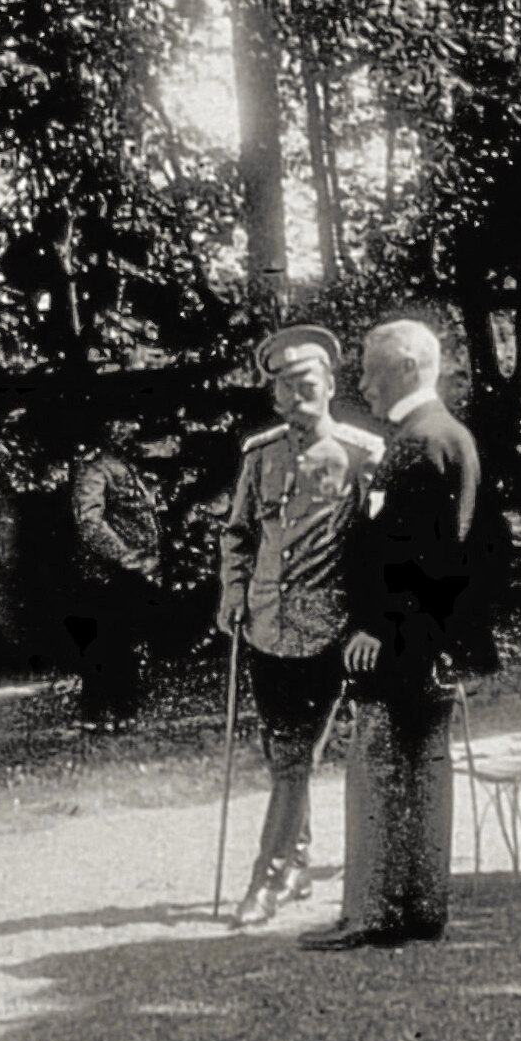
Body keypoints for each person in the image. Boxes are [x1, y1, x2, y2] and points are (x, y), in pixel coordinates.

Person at [305, 317, 500, 951]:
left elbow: (425, 557)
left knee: (379, 772)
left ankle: (373, 912)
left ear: (409, 368)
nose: (362, 383)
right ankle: (418, 908)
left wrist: (378, 627)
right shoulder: (442, 438)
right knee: (422, 774)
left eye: (372, 370)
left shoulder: (424, 442)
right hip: (428, 644)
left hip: (401, 648)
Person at [216, 324, 381, 921]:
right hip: (265, 627)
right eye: (282, 388)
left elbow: (379, 550)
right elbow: (238, 533)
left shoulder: (362, 455)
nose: (293, 397)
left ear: (330, 384)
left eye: (305, 384)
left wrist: (370, 620)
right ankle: (300, 862)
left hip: (325, 630)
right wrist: (233, 591)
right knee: (283, 755)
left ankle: (269, 878)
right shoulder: (260, 456)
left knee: (292, 757)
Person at [67, 432, 170, 727]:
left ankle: (122, 711)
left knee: (124, 642)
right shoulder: (95, 468)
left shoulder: (124, 466)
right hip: (108, 574)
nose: (131, 430)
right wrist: (126, 557)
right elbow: (90, 522)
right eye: (122, 425)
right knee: (106, 643)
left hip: (128, 573)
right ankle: (99, 712)